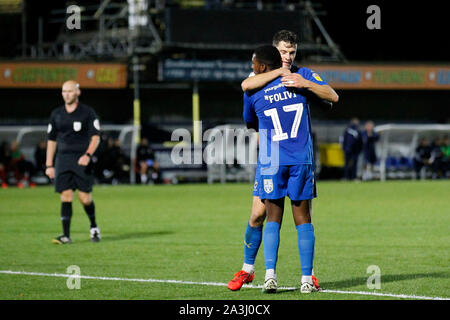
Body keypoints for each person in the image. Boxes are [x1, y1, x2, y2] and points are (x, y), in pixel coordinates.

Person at [228, 30, 338, 292]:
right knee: (257, 215)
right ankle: (248, 270)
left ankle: (306, 275)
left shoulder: (304, 74)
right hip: (272, 157)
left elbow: (331, 96)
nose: (288, 57)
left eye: (292, 52)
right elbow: (246, 87)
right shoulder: (259, 78)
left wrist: (303, 83)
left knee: (301, 214)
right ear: (273, 52)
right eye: (283, 52)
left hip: (289, 157)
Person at [45, 80, 102, 244]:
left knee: (85, 198)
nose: (66, 94)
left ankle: (93, 226)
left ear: (78, 92)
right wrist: (49, 164)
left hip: (82, 160)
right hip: (62, 159)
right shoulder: (56, 114)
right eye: (64, 91)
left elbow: (96, 137)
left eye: (70, 91)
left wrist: (88, 155)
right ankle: (66, 235)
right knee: (66, 196)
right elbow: (51, 139)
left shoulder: (87, 113)